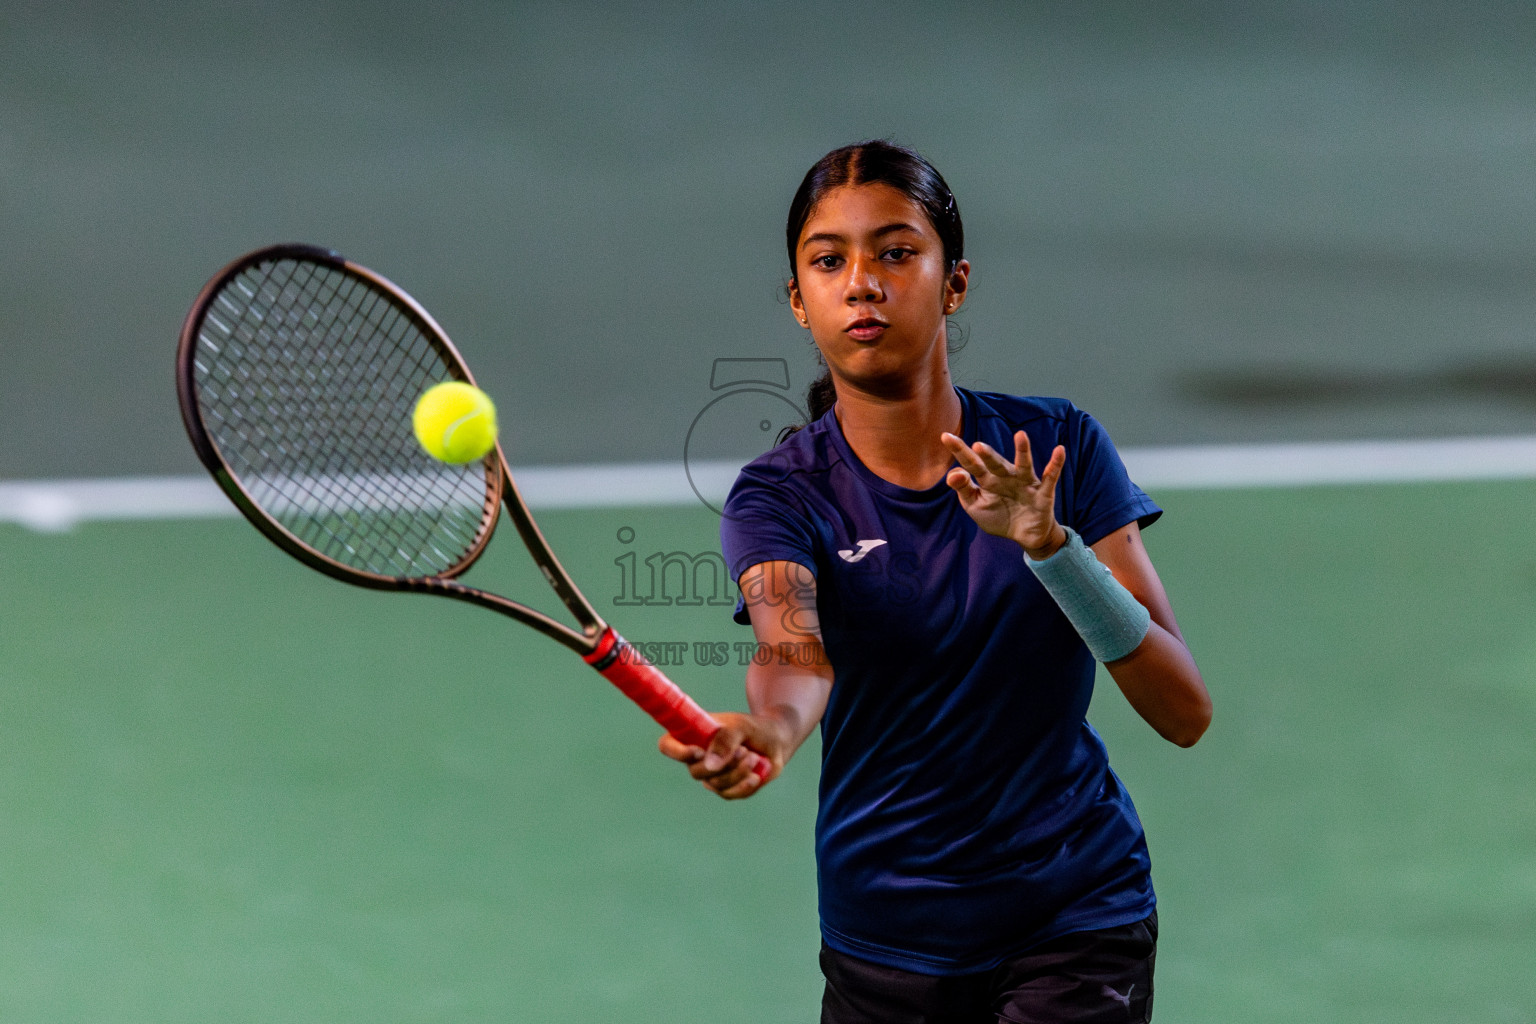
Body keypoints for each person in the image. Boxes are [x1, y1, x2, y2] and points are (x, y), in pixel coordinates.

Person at [659, 140, 1212, 1024]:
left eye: (896, 251)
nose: (863, 282)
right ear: (800, 302)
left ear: (953, 283)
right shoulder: (779, 496)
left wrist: (1051, 547)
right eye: (829, 261)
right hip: (886, 933)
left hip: (1074, 914)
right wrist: (769, 728)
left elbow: (1183, 711)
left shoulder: (1057, 447)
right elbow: (794, 650)